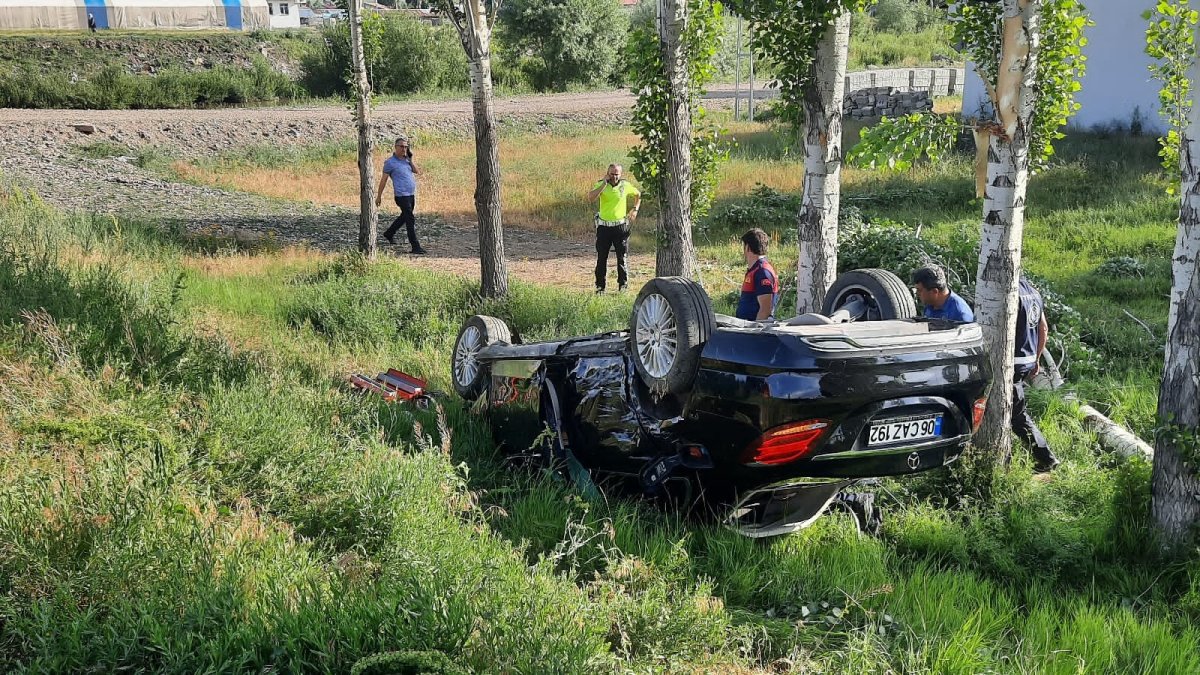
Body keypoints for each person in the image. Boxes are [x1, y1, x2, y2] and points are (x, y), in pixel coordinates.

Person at [1012, 276, 1060, 473]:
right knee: (1013, 411)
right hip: (1028, 359)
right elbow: (1043, 328)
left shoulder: (1009, 293)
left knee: (1017, 416)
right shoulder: (1034, 293)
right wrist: (1037, 358)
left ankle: (1047, 459)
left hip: (1012, 361)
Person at [588, 163, 640, 293]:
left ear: (620, 174)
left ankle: (623, 287)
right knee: (602, 258)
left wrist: (635, 209)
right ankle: (600, 287)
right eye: (612, 174)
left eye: (617, 174)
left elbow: (638, 195)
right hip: (604, 227)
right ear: (607, 173)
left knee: (621, 257)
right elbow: (591, 198)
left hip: (620, 227)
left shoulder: (625, 185)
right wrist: (603, 184)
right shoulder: (601, 184)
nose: (614, 177)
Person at [375, 137, 426, 255]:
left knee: (405, 216)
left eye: (406, 147)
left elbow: (416, 171)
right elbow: (383, 180)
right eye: (401, 146)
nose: (404, 149)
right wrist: (379, 196)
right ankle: (415, 246)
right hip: (401, 196)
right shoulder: (390, 163)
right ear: (395, 147)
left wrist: (410, 160)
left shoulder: (406, 160)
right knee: (410, 219)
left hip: (410, 194)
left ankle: (389, 233)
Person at [736, 228, 779, 321]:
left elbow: (765, 310)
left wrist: (755, 329)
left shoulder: (762, 272)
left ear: (747, 247)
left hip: (754, 327)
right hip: (746, 326)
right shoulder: (755, 269)